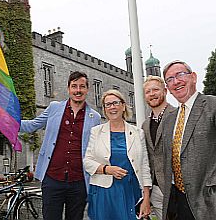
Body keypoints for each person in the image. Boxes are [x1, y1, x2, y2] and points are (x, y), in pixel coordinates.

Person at [20, 71, 101, 220]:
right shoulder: (54, 108)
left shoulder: (94, 117)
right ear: (68, 89)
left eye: (82, 87)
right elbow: (32, 125)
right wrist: (7, 121)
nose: (78, 90)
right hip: (52, 179)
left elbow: (98, 149)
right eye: (74, 86)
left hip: (79, 182)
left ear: (87, 89)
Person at [84, 89, 152, 220]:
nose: (112, 107)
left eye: (115, 103)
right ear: (104, 109)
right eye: (108, 104)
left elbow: (144, 167)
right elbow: (87, 162)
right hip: (103, 192)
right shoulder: (96, 132)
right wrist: (106, 169)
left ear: (123, 105)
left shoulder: (138, 133)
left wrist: (146, 198)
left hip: (130, 191)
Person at [162, 60, 216, 220]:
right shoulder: (169, 119)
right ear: (168, 89)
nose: (176, 81)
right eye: (170, 79)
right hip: (177, 202)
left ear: (193, 77)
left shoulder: (212, 105)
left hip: (208, 202)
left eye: (180, 75)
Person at [142, 76, 175, 220]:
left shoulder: (178, 115)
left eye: (155, 89)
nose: (152, 94)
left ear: (165, 91)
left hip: (176, 188)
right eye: (148, 91)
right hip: (155, 189)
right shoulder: (144, 125)